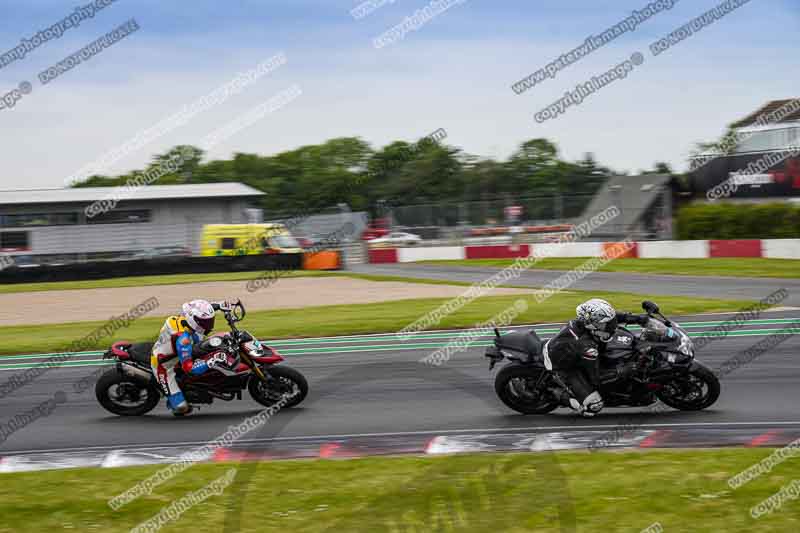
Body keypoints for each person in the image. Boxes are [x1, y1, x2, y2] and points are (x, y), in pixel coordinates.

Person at [543, 298, 650, 417]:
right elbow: (597, 378)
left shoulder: (589, 323)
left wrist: (638, 318)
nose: (612, 325)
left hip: (572, 353)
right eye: (607, 324)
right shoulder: (588, 347)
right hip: (564, 368)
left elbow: (613, 317)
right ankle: (555, 393)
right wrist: (626, 369)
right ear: (592, 325)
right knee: (594, 406)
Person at [150, 299, 232, 415]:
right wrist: (214, 359)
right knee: (182, 408)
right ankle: (174, 402)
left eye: (209, 321)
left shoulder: (186, 319)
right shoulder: (184, 341)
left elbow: (200, 312)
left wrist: (219, 305)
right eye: (205, 322)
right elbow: (189, 368)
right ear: (194, 321)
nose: (209, 325)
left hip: (176, 350)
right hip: (164, 366)